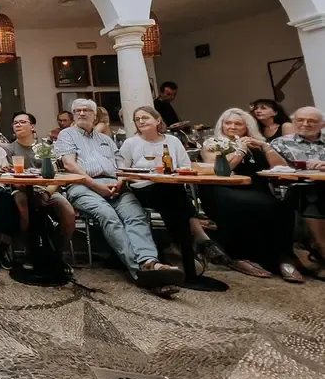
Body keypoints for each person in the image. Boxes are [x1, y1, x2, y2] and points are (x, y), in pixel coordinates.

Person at [56, 98, 184, 294]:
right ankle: (142, 271)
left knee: (135, 216)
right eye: (78, 111)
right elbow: (70, 165)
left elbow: (120, 167)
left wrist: (119, 182)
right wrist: (97, 187)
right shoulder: (67, 135)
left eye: (86, 110)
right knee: (109, 216)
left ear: (95, 115)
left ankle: (150, 261)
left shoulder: (106, 140)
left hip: (114, 185)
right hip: (82, 185)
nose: (82, 114)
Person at [118, 107, 233, 275]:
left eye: (145, 117)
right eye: (137, 119)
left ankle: (181, 251)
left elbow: (185, 165)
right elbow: (122, 170)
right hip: (142, 189)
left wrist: (174, 172)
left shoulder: (172, 141)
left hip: (170, 188)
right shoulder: (131, 143)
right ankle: (195, 244)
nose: (141, 121)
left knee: (172, 195)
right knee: (175, 197)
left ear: (158, 120)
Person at [198, 108, 299, 281]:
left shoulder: (256, 143)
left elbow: (281, 168)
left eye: (238, 124)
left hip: (255, 189)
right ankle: (240, 256)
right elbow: (220, 171)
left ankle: (282, 257)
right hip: (222, 189)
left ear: (247, 127)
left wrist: (266, 147)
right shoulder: (213, 143)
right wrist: (240, 151)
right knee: (248, 206)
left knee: (280, 207)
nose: (232, 127)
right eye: (228, 123)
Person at [4, 112, 75, 245]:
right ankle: (28, 252)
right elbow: (10, 178)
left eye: (22, 122)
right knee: (23, 210)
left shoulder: (44, 148)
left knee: (68, 213)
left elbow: (55, 176)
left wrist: (47, 193)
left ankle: (57, 253)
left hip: (45, 189)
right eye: (15, 123)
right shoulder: (9, 149)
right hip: (21, 190)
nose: (18, 125)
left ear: (33, 126)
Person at [270, 106, 325, 269]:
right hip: (295, 189)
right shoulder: (280, 143)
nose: (305, 124)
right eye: (300, 120)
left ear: (322, 124)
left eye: (311, 121)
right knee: (312, 191)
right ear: (294, 123)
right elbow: (275, 170)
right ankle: (322, 248)